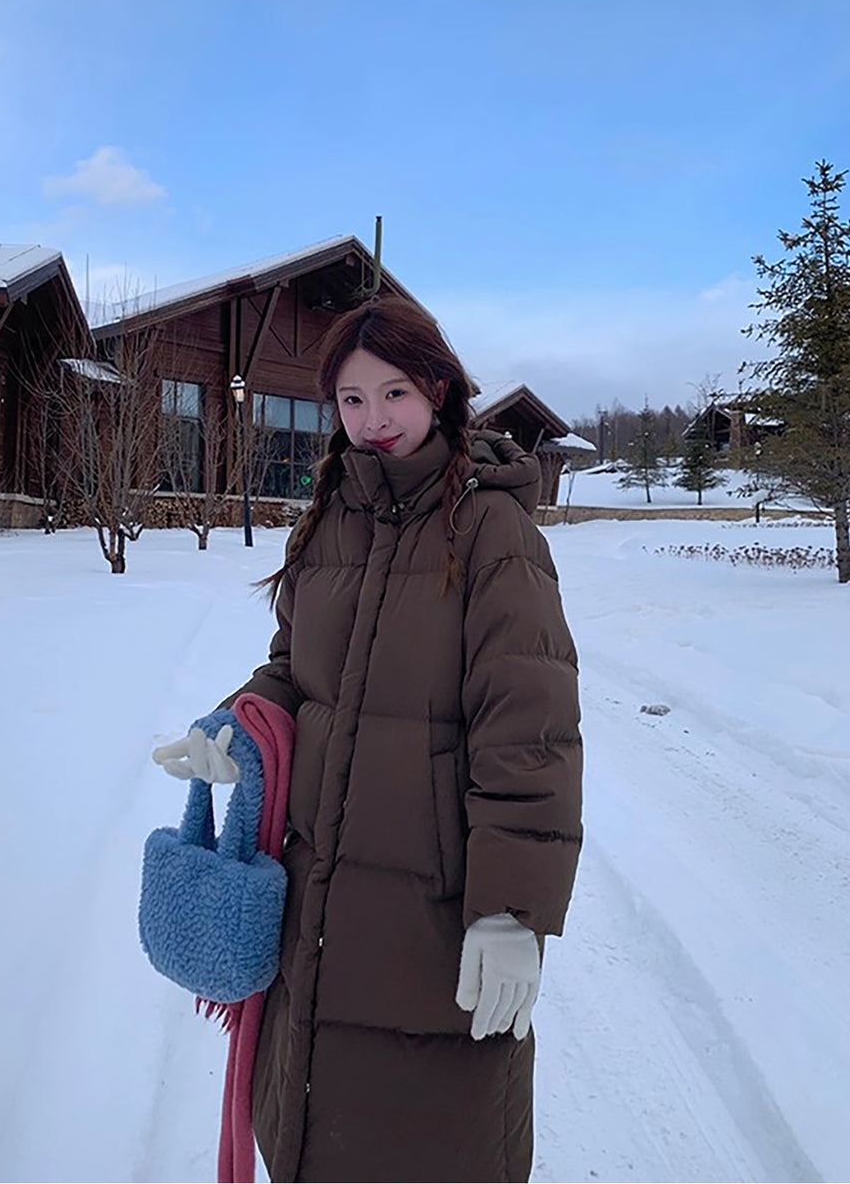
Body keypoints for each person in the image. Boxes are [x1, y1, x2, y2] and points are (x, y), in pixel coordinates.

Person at [176, 297, 582, 1183]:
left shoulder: (492, 532)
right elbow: (293, 670)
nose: (373, 420)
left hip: (431, 923)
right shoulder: (328, 517)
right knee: (315, 1136)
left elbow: (531, 728)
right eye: (352, 400)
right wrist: (236, 724)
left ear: (438, 388)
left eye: (392, 392)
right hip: (317, 912)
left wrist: (511, 907)